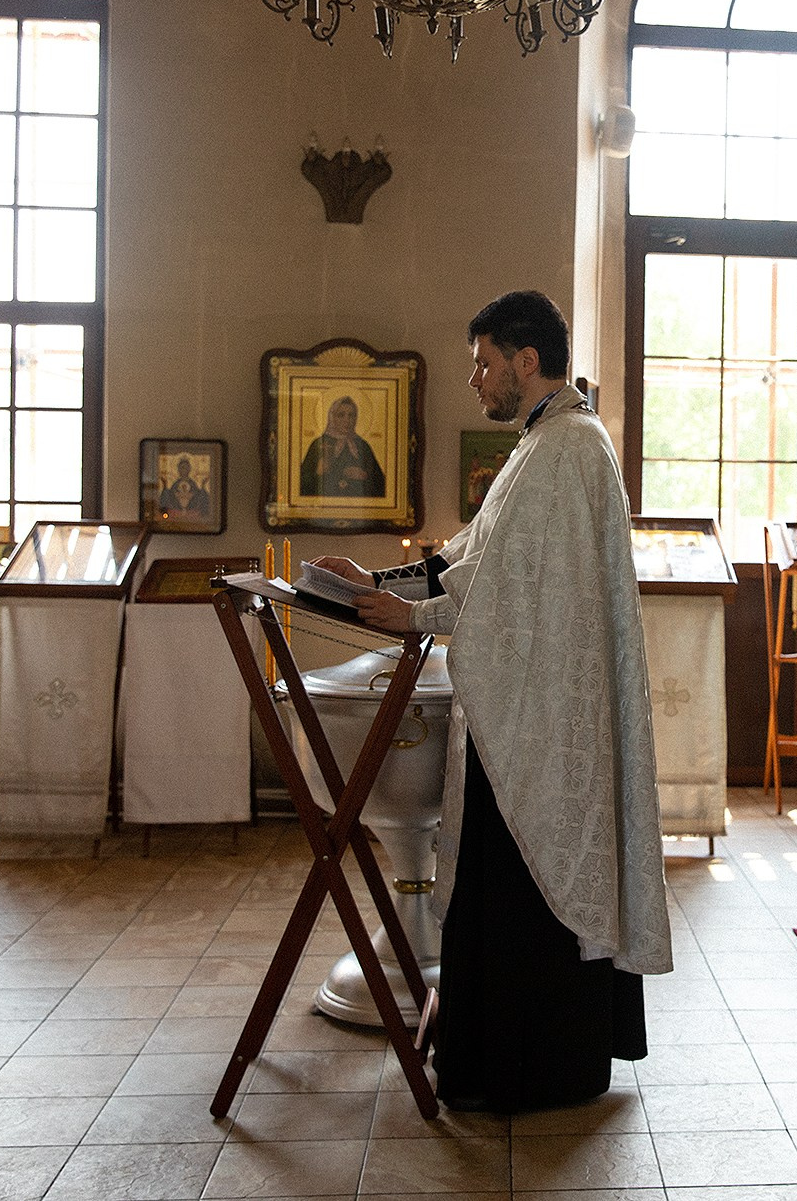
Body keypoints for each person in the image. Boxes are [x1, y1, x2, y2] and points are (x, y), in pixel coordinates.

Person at [310, 290, 671, 1113]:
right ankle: (504, 1054)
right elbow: (475, 559)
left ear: (526, 359)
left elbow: (505, 594)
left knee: (525, 888)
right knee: (501, 885)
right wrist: (376, 585)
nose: (476, 380)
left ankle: (529, 1067)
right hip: (524, 715)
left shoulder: (568, 446)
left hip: (543, 723)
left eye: (483, 363)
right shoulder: (544, 443)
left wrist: (420, 615)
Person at [299, 395, 386, 498]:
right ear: (332, 417)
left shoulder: (362, 446)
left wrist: (365, 476)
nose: (347, 420)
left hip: (357, 507)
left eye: (351, 415)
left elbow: (382, 487)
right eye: (341, 415)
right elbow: (300, 485)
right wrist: (317, 473)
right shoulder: (318, 444)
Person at [158, 457, 213, 521]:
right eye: (181, 468)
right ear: (178, 469)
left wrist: (203, 486)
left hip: (192, 513)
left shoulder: (193, 484)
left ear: (189, 469)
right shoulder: (175, 484)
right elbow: (169, 497)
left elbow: (199, 496)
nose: (183, 470)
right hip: (175, 513)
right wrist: (164, 486)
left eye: (186, 468)